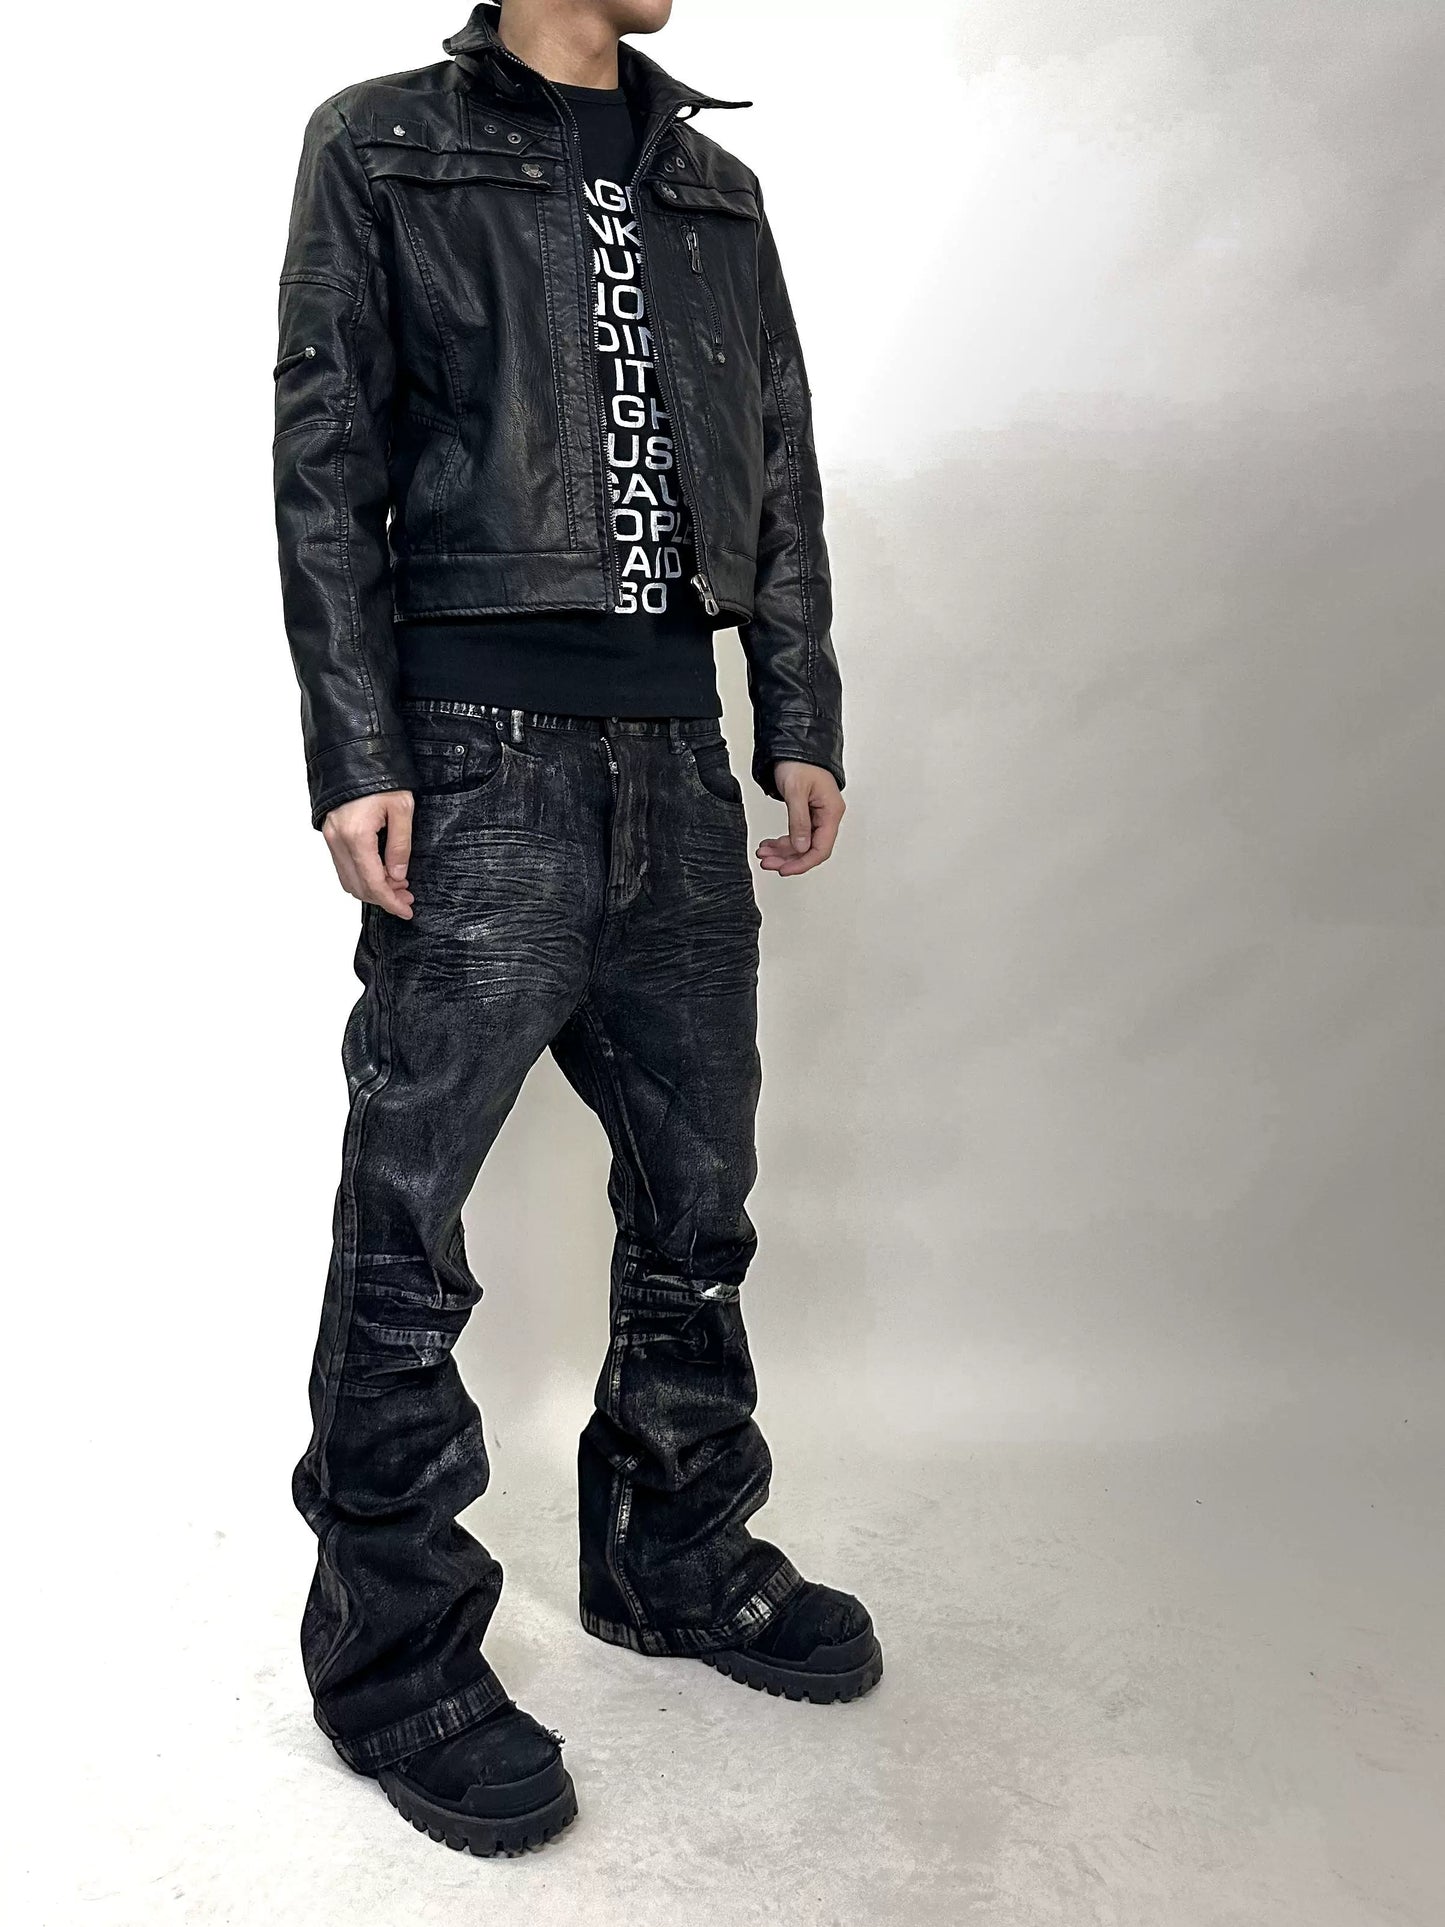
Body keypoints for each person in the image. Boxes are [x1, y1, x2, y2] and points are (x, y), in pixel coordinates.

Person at [274, 0, 879, 1856]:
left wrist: (794, 712)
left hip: (672, 761)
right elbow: (325, 459)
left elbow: (774, 459)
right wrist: (358, 749)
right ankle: (393, 1661)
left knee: (699, 1198)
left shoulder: (712, 186)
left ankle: (674, 1554)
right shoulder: (382, 139)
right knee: (409, 1225)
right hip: (475, 751)